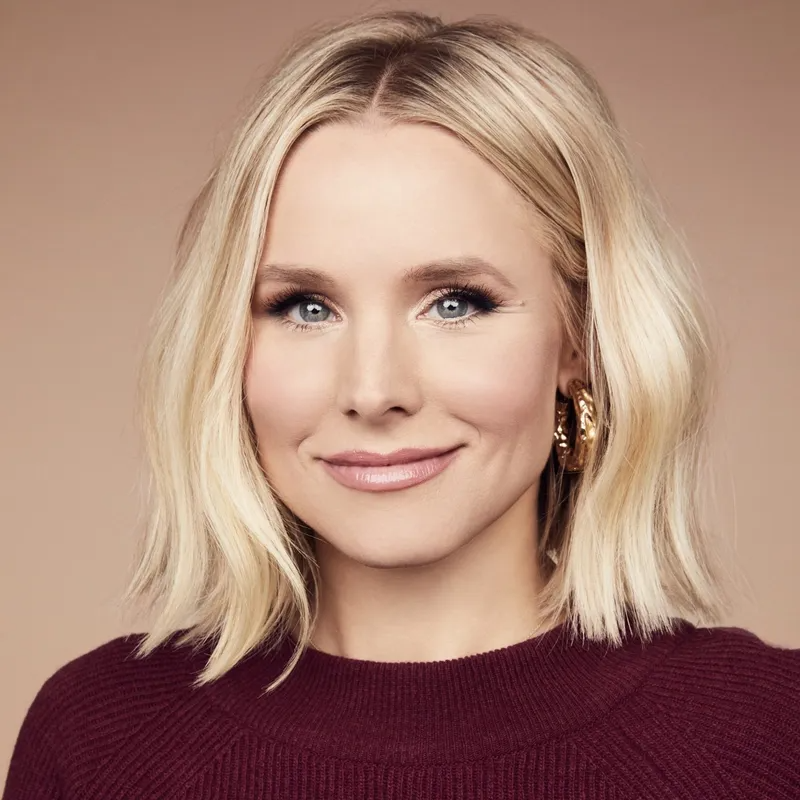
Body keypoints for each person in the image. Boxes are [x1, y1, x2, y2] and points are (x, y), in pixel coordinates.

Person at [4, 9, 798, 800]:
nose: (373, 391)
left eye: (456, 303)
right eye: (305, 307)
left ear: (580, 340)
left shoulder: (770, 736)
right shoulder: (97, 741)